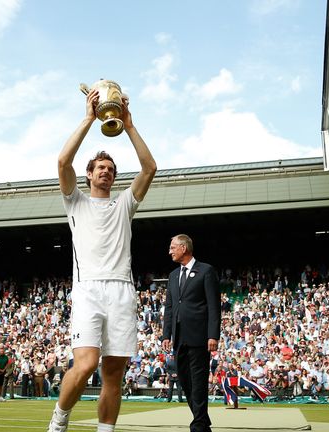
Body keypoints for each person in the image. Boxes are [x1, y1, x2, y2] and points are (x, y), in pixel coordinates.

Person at [48, 85, 156, 432]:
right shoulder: (75, 202)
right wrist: (88, 119)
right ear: (89, 175)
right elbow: (63, 161)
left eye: (111, 168)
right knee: (84, 365)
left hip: (122, 291)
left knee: (113, 373)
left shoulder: (124, 203)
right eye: (100, 168)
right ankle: (59, 418)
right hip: (88, 290)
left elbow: (150, 167)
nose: (106, 172)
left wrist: (128, 123)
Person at [162, 234, 222, 432]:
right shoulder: (172, 276)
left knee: (198, 381)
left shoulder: (206, 271)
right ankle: (202, 421)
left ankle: (198, 425)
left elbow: (214, 306)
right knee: (186, 382)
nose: (170, 251)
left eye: (172, 247)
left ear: (184, 248)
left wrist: (213, 335)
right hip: (179, 338)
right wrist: (166, 335)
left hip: (199, 337)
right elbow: (169, 308)